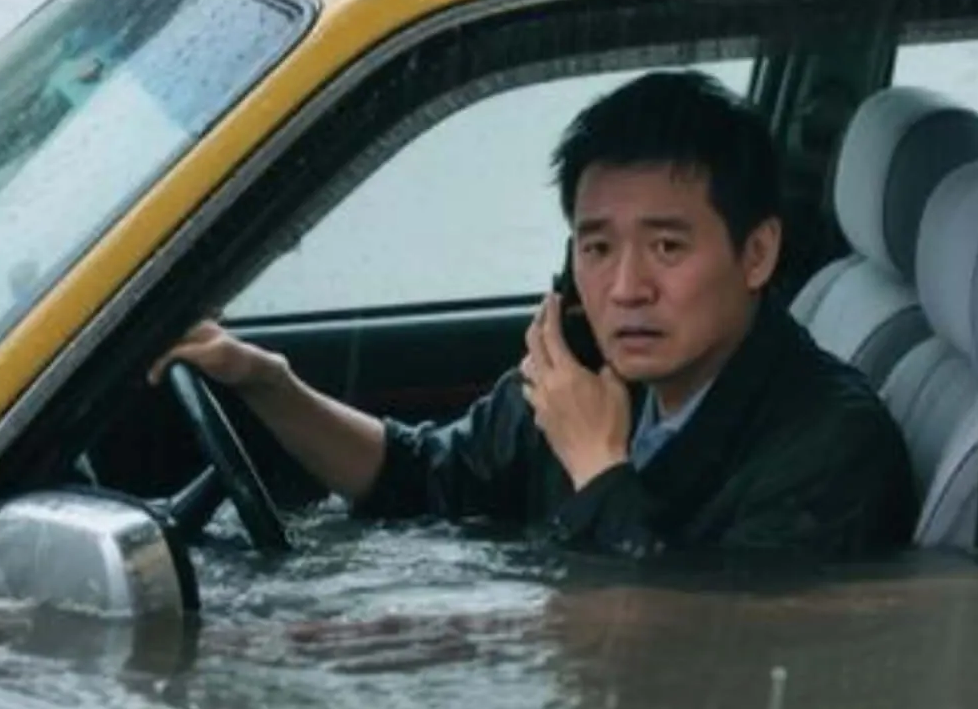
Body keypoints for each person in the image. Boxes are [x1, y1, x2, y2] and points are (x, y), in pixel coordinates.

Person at [156, 70, 916, 560]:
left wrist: (597, 465)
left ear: (756, 254)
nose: (625, 287)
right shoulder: (593, 373)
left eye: (666, 246)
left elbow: (699, 652)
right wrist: (267, 385)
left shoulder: (833, 445)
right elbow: (426, 480)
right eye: (596, 247)